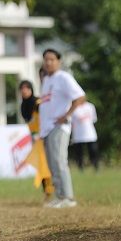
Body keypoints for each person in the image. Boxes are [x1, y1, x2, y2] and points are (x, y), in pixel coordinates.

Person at [38, 48, 86, 208]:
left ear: (59, 61)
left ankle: (68, 197)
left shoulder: (63, 77)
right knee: (52, 163)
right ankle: (59, 196)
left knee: (59, 161)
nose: (48, 62)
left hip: (59, 126)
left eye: (52, 59)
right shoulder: (46, 80)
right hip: (47, 128)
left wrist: (67, 115)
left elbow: (80, 96)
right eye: (46, 59)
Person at [19, 79, 54, 199]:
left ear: (31, 89)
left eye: (26, 88)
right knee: (41, 164)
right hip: (35, 138)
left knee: (47, 164)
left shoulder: (37, 103)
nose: (24, 91)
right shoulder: (23, 105)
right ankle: (47, 191)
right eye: (22, 89)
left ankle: (53, 189)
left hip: (44, 136)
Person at [69, 101, 100, 171]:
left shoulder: (90, 106)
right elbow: (71, 121)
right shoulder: (73, 107)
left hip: (90, 133)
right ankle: (80, 167)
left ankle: (95, 166)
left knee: (93, 150)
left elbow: (94, 119)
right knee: (79, 152)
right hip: (78, 134)